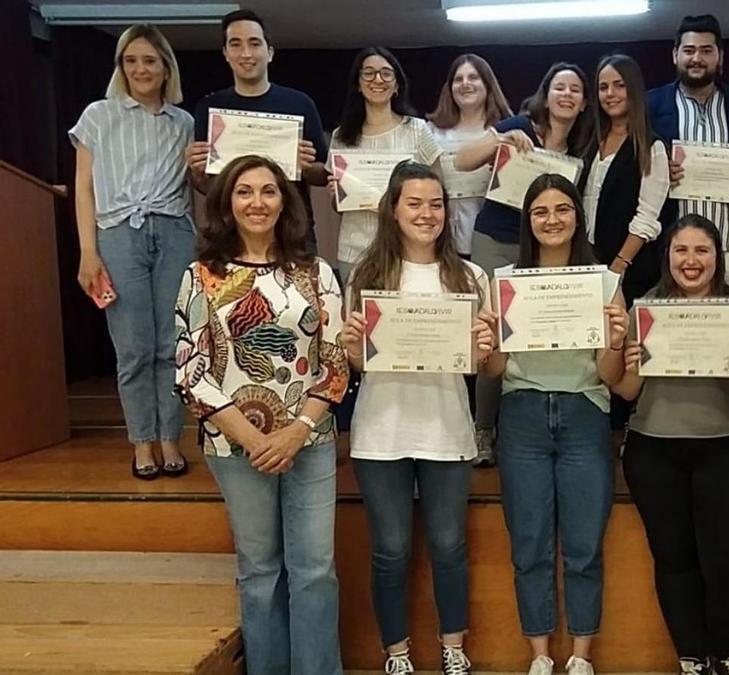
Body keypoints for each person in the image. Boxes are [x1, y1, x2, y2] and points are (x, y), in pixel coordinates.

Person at [174, 154, 349, 675]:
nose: (257, 202)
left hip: (309, 441)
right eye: (244, 191)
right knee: (259, 570)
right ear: (226, 202)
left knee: (315, 569)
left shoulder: (316, 273)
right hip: (234, 446)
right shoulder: (202, 275)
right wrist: (254, 438)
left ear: (284, 200)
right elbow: (190, 370)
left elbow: (336, 362)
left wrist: (295, 431)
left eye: (268, 191)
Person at [339, 163, 495, 675]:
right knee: (390, 550)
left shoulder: (469, 276)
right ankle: (397, 653)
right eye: (414, 203)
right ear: (393, 208)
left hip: (447, 428)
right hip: (381, 430)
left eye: (435, 204)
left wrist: (484, 348)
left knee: (450, 546)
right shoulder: (366, 273)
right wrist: (351, 346)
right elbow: (360, 363)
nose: (426, 214)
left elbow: (480, 366)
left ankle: (453, 648)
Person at [480, 174, 626, 675]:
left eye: (562, 209)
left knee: (585, 545)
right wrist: (488, 344)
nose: (552, 220)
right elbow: (495, 371)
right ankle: (541, 656)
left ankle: (580, 658)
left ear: (577, 216)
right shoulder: (506, 283)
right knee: (529, 543)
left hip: (586, 412)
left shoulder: (605, 283)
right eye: (540, 212)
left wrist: (613, 340)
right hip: (522, 414)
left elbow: (611, 375)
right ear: (528, 221)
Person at [612, 215, 729, 675]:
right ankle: (692, 657)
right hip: (655, 451)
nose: (691, 261)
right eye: (681, 251)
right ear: (667, 257)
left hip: (728, 449)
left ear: (718, 258)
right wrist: (631, 361)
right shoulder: (646, 308)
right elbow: (625, 391)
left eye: (702, 251)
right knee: (674, 560)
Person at [70, 23, 194, 480]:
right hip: (119, 235)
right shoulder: (97, 116)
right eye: (131, 60)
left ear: (166, 68)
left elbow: (195, 185)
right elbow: (83, 190)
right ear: (121, 67)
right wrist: (88, 251)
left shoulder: (183, 123)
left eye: (150, 60)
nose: (141, 69)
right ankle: (142, 442)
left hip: (175, 232)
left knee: (171, 346)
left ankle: (169, 439)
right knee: (135, 348)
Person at [456, 62, 591, 466]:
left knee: (540, 327)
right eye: (559, 87)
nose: (566, 95)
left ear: (584, 103)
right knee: (493, 332)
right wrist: (499, 140)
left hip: (546, 249)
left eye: (575, 90)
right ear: (545, 94)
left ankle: (533, 414)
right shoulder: (519, 125)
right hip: (496, 240)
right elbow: (462, 160)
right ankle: (483, 428)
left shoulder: (584, 146)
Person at [185, 9, 328, 250]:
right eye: (235, 44)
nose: (246, 53)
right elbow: (209, 186)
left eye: (254, 43)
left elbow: (324, 174)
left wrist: (305, 167)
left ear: (269, 52)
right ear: (226, 54)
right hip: (230, 234)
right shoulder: (210, 107)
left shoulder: (300, 103)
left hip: (291, 231)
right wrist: (197, 173)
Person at [647, 14, 729, 299]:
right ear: (675, 55)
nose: (696, 58)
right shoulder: (650, 105)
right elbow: (634, 172)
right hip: (669, 247)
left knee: (728, 331)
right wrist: (658, 173)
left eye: (706, 50)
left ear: (719, 57)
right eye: (689, 50)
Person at [329, 47, 444, 280]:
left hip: (407, 250)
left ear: (397, 84)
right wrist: (337, 194)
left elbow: (439, 189)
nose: (377, 80)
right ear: (358, 84)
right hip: (355, 249)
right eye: (368, 73)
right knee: (357, 315)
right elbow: (338, 206)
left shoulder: (417, 130)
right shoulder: (341, 136)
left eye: (386, 73)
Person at [581, 53, 669, 305]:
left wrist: (619, 265)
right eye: (603, 87)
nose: (611, 94)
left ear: (634, 89)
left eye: (619, 85)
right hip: (587, 264)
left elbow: (646, 217)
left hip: (629, 270)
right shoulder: (588, 141)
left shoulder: (651, 147)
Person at [428, 53, 514, 258]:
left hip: (494, 238)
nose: (465, 84)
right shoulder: (431, 132)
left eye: (473, 77)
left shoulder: (507, 130)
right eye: (458, 79)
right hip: (443, 238)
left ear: (488, 84)